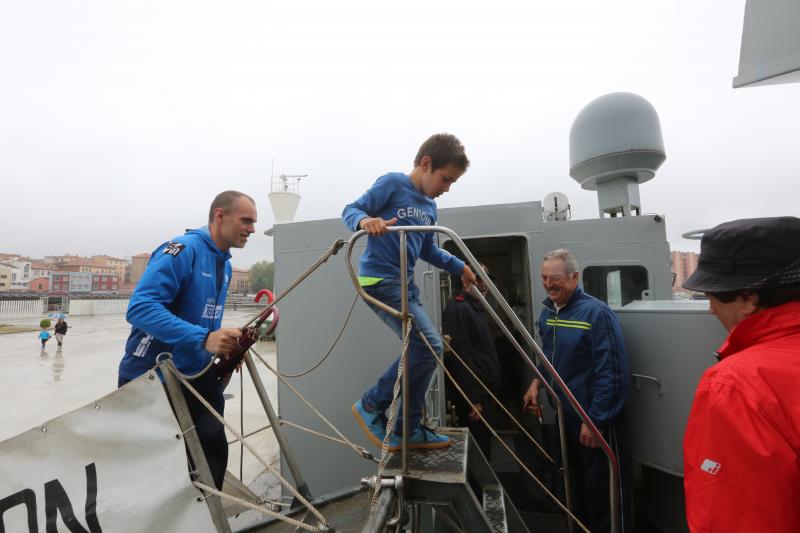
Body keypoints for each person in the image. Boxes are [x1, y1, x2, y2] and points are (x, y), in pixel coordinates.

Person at [345, 133, 477, 451]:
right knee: (430, 345)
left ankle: (408, 426)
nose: (447, 188)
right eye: (446, 179)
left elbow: (428, 250)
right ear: (426, 163)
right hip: (379, 281)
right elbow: (351, 209)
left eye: (452, 183)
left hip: (406, 286)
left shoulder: (430, 208)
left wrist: (460, 266)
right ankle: (372, 404)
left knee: (426, 351)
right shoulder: (393, 183)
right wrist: (365, 221)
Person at [118, 190, 257, 489]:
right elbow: (140, 308)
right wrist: (204, 337)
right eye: (246, 220)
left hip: (198, 375)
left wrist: (225, 345)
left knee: (213, 458)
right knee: (157, 472)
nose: (252, 229)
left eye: (254, 222)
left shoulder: (225, 264)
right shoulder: (183, 250)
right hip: (153, 378)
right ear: (220, 215)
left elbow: (203, 319)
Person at [681, 216, 800, 532]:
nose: (710, 310)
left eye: (711, 296)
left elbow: (734, 518)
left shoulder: (734, 384)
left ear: (749, 299)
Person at [522, 249, 628, 533]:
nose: (548, 284)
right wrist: (536, 382)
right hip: (566, 417)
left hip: (592, 420)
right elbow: (549, 356)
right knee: (575, 485)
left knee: (602, 493)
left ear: (574, 277)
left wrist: (595, 421)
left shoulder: (596, 314)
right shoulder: (549, 313)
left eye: (555, 278)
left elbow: (612, 373)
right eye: (544, 278)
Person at [442, 264, 501, 457]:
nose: (482, 283)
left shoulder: (476, 308)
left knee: (485, 450)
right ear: (464, 279)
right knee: (478, 455)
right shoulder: (458, 308)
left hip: (486, 393)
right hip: (476, 398)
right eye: (477, 277)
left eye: (487, 278)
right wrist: (472, 399)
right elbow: (460, 358)